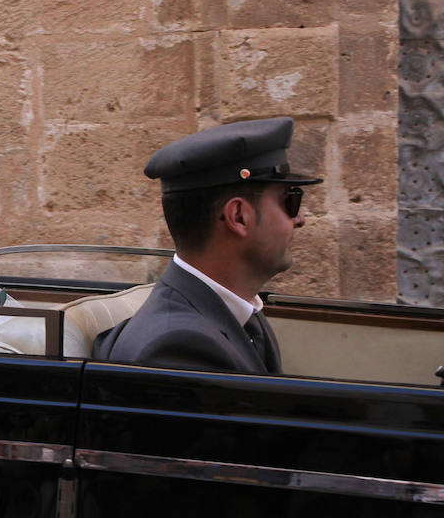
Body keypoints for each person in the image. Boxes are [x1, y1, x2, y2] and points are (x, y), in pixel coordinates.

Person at [93, 116, 320, 374]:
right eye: (291, 201)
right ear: (238, 217)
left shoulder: (238, 316)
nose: (299, 219)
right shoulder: (178, 349)